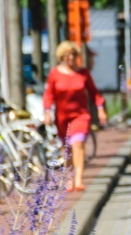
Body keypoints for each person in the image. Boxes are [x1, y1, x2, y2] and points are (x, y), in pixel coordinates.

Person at [43, 40, 107, 192]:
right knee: (67, 148)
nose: (70, 58)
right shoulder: (55, 74)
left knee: (78, 143)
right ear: (62, 57)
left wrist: (100, 109)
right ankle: (69, 178)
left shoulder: (83, 73)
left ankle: (78, 178)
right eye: (67, 56)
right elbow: (49, 94)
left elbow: (94, 93)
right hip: (62, 117)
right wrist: (47, 111)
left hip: (81, 115)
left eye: (73, 55)